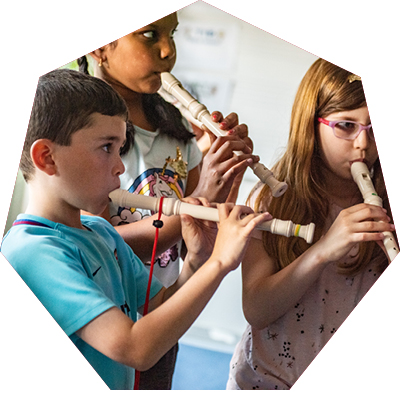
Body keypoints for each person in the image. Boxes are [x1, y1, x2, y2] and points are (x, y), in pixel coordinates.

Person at [0, 68, 271, 391]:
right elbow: (136, 348)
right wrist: (220, 264)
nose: (120, 166)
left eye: (120, 148)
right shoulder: (33, 252)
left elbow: (158, 306)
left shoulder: (100, 231)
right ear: (47, 158)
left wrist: (199, 260)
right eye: (106, 147)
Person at [76, 12, 258, 389]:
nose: (167, 50)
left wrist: (224, 169)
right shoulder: (82, 128)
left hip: (165, 309)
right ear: (98, 46)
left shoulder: (174, 122)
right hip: (107, 319)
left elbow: (198, 215)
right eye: (148, 34)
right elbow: (94, 237)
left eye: (172, 34)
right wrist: (202, 195)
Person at [226, 58, 397, 390]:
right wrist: (322, 251)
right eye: (346, 125)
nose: (363, 144)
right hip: (268, 380)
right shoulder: (271, 199)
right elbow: (257, 309)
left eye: (375, 129)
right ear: (311, 124)